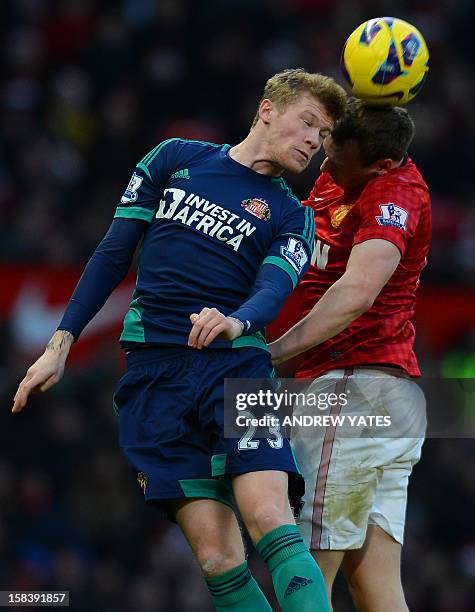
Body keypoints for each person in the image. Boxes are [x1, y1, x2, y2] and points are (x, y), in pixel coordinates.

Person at [13, 69, 347, 611]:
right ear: (267, 110)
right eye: (308, 123)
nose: (314, 141)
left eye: (324, 136)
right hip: (153, 377)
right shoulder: (173, 159)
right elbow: (112, 252)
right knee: (216, 557)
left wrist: (237, 321)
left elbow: (274, 286)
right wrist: (61, 342)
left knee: (267, 515)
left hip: (237, 369)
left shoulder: (293, 215)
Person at [269, 99, 431, 612]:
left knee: (308, 568)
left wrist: (273, 354)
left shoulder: (394, 191)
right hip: (382, 398)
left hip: (353, 390)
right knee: (375, 585)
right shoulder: (342, 171)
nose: (324, 157)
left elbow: (358, 292)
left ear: (380, 164)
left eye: (338, 154)